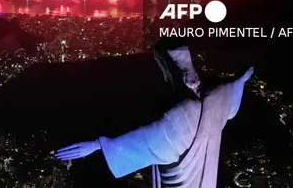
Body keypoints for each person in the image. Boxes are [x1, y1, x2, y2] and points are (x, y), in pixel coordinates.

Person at [54, 37, 254, 187]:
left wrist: (99, 145)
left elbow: (148, 139)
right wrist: (241, 79)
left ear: (169, 70)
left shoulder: (182, 114)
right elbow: (231, 97)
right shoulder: (216, 97)